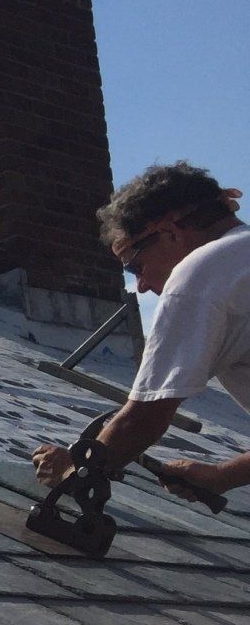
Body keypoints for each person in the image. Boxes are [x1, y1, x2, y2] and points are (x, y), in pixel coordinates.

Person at [32, 162, 249, 498]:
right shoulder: (240, 260)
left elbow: (145, 419)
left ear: (169, 230)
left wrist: (74, 470)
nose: (142, 285)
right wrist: (222, 476)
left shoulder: (200, 272)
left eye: (135, 265)